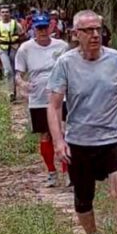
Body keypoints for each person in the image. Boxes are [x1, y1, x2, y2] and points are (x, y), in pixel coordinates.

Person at [46, 9, 117, 234]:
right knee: (83, 198)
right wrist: (59, 141)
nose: (94, 35)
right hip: (80, 141)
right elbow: (53, 106)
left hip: (113, 138)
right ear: (75, 34)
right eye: (88, 30)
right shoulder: (65, 63)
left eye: (98, 29)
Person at [15, 14, 69, 187]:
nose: (43, 31)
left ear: (50, 27)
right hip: (38, 98)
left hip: (60, 96)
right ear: (34, 30)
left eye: (45, 27)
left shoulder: (62, 46)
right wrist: (22, 84)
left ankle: (67, 171)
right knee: (45, 134)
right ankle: (51, 172)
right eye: (39, 28)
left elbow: (71, 67)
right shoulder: (25, 49)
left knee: (62, 131)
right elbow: (18, 74)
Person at [0, 5, 24, 101]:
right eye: (3, 12)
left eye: (7, 12)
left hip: (14, 48)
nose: (5, 14)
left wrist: (22, 47)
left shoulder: (16, 24)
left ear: (10, 13)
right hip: (2, 48)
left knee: (14, 70)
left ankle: (14, 90)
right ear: (0, 14)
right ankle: (10, 92)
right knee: (8, 70)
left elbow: (22, 35)